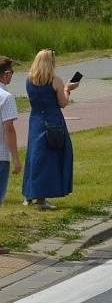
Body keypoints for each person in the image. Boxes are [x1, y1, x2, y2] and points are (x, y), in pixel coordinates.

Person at [22, 50, 79, 209]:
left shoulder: (29, 80)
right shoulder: (55, 81)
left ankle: (29, 194)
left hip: (36, 120)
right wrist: (68, 89)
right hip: (53, 120)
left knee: (34, 155)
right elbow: (62, 103)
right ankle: (42, 198)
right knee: (50, 159)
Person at [0, 57, 22, 254]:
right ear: (6, 74)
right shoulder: (6, 97)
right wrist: (16, 158)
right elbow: (9, 130)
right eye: (12, 72)